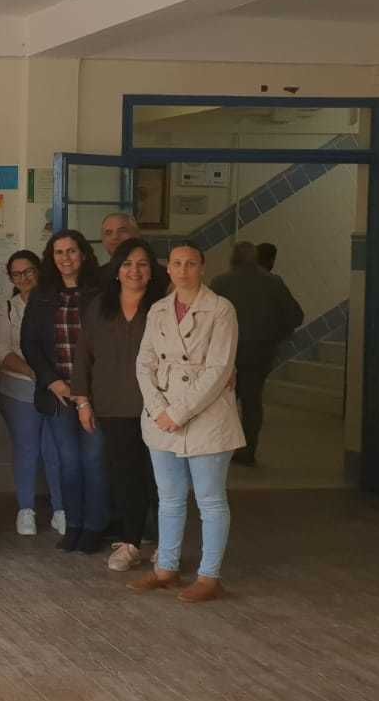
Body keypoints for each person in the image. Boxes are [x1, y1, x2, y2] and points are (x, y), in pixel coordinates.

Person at [129, 244, 244, 603]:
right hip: (160, 417)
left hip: (206, 417)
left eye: (191, 264)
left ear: (202, 268)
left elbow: (219, 368)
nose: (183, 270)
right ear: (169, 270)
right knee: (170, 498)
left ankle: (209, 576)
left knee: (210, 500)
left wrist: (177, 412)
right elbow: (143, 362)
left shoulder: (221, 309)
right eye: (177, 264)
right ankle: (166, 567)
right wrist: (157, 408)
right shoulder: (159, 309)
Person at [74, 238, 167, 572]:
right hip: (112, 404)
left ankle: (165, 546)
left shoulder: (164, 305)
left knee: (161, 479)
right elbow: (82, 356)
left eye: (142, 264)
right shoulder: (100, 306)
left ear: (152, 270)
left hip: (159, 406)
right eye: (127, 264)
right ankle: (130, 543)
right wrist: (82, 400)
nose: (134, 271)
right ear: (116, 271)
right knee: (126, 477)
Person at [22, 230, 108, 554]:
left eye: (72, 251)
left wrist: (87, 388)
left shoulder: (101, 293)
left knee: (94, 459)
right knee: (68, 461)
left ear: (83, 255)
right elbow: (29, 343)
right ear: (51, 257)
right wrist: (51, 380)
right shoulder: (42, 295)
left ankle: (95, 526)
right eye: (59, 252)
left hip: (95, 392)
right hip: (58, 393)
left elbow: (108, 345)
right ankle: (73, 525)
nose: (65, 258)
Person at [0, 249, 64, 536]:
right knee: (28, 448)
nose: (24, 278)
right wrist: (37, 373)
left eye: (29, 271)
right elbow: (0, 352)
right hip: (18, 388)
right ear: (10, 277)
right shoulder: (7, 308)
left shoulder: (56, 303)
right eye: (17, 273)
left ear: (39, 271)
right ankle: (26, 510)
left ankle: (61, 510)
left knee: (54, 449)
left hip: (56, 389)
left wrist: (50, 377)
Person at [210, 241, 304, 466]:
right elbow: (296, 315)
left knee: (225, 403)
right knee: (253, 402)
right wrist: (277, 336)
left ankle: (222, 448)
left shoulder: (220, 283)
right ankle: (248, 449)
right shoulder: (273, 282)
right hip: (261, 352)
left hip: (227, 353)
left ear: (233, 258)